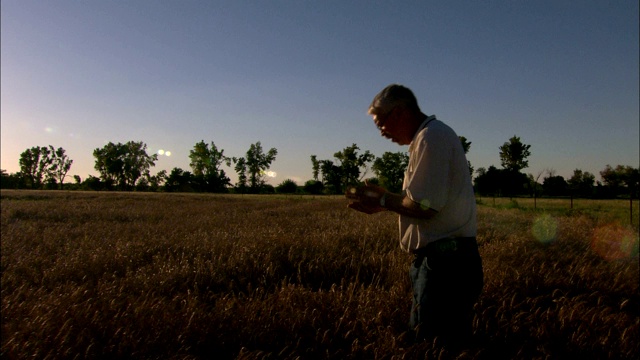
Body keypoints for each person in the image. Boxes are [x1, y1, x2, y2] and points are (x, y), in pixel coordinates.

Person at [346, 84, 483, 348]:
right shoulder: (430, 137)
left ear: (399, 113)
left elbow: (425, 207)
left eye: (380, 123)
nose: (382, 132)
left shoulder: (431, 138)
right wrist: (385, 204)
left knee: (432, 345)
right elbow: (425, 205)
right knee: (445, 343)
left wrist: (384, 198)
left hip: (445, 266)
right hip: (446, 262)